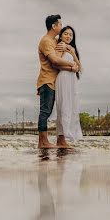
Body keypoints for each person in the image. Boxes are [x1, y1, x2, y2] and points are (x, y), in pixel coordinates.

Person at [36, 14, 78, 149]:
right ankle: (42, 142)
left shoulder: (54, 40)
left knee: (54, 110)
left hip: (54, 81)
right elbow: (54, 61)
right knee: (45, 111)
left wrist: (71, 52)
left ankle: (53, 141)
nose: (61, 26)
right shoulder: (46, 41)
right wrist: (72, 66)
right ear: (54, 26)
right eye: (60, 24)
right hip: (47, 80)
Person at [54, 25, 83, 147]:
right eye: (66, 33)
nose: (68, 36)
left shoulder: (71, 48)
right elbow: (56, 64)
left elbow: (80, 67)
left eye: (71, 34)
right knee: (63, 106)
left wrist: (72, 52)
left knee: (72, 106)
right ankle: (61, 138)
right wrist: (71, 68)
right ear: (60, 35)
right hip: (63, 78)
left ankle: (66, 138)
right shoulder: (60, 46)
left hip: (72, 81)